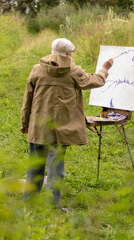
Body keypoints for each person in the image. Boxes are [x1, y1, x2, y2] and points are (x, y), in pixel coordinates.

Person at [20, 38, 113, 211]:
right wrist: (104, 69)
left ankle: (29, 205)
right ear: (69, 54)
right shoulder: (74, 72)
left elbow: (28, 100)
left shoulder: (37, 70)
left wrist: (25, 123)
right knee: (56, 169)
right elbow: (96, 81)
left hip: (38, 127)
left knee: (34, 168)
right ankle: (53, 207)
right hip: (61, 130)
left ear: (52, 51)